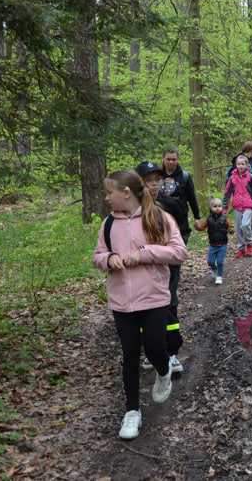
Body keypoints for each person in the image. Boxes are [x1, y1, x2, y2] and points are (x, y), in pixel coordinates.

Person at [92, 169, 188, 440]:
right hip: (121, 301)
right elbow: (97, 254)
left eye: (109, 192)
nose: (107, 198)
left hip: (154, 298)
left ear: (125, 193)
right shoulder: (108, 224)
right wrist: (108, 258)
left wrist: (145, 253)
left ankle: (163, 370)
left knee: (156, 349)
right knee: (130, 353)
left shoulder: (159, 217)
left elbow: (179, 252)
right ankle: (132, 411)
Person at [135, 161, 186, 374]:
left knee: (169, 305)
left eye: (157, 180)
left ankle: (171, 353)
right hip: (141, 270)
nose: (154, 185)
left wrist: (173, 257)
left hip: (167, 267)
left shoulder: (171, 205)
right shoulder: (133, 211)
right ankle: (151, 351)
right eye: (148, 181)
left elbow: (182, 232)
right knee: (145, 310)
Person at [223, 154, 252, 257]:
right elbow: (227, 193)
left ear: (246, 165)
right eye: (238, 164)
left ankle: (249, 243)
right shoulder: (232, 178)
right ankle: (241, 248)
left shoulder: (251, 177)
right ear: (236, 165)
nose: (240, 166)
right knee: (238, 228)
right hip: (237, 205)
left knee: (245, 225)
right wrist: (225, 208)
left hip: (249, 205)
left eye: (242, 164)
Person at [159, 147, 201, 242]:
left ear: (178, 159)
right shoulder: (157, 176)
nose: (171, 162)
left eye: (173, 159)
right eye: (168, 159)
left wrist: (197, 217)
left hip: (180, 218)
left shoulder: (184, 176)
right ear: (163, 158)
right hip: (161, 216)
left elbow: (192, 197)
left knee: (180, 243)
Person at [194, 197, 234, 284]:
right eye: (215, 206)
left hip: (223, 244)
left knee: (220, 261)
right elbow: (202, 227)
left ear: (222, 208)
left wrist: (231, 230)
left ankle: (219, 276)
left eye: (219, 206)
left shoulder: (225, 219)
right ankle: (214, 269)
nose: (217, 208)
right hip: (212, 245)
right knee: (210, 261)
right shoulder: (208, 219)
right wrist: (197, 227)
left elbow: (230, 228)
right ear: (211, 208)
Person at [231, 142, 252, 240]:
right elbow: (234, 176)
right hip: (242, 192)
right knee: (244, 215)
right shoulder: (239, 160)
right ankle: (245, 236)